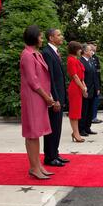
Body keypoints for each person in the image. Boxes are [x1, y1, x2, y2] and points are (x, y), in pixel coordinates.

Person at [20, 25, 55, 180]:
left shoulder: (36, 54)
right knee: (32, 134)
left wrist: (48, 95)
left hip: (40, 97)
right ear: (34, 38)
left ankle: (38, 165)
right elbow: (33, 81)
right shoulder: (27, 55)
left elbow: (43, 78)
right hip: (33, 97)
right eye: (40, 37)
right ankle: (34, 167)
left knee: (37, 133)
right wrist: (46, 97)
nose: (42, 39)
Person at [42, 29, 69, 167]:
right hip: (55, 98)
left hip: (60, 95)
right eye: (59, 35)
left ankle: (55, 153)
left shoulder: (55, 52)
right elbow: (50, 79)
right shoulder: (47, 53)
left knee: (57, 127)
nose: (61, 37)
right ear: (51, 38)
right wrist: (55, 99)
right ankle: (49, 156)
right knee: (52, 127)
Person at [67, 41, 87, 143]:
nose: (81, 51)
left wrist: (84, 86)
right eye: (79, 49)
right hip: (75, 88)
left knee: (78, 111)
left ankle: (76, 132)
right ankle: (76, 133)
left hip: (78, 87)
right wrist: (82, 87)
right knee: (74, 112)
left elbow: (81, 76)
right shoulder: (71, 60)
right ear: (75, 50)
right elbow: (75, 76)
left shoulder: (76, 60)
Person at [79, 44, 99, 136]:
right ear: (85, 52)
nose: (92, 52)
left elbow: (95, 75)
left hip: (93, 89)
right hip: (86, 90)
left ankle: (88, 127)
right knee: (84, 110)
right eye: (90, 50)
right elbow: (80, 78)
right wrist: (84, 89)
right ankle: (81, 129)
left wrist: (97, 87)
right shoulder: (81, 61)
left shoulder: (91, 61)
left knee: (90, 111)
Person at [89, 41, 103, 124]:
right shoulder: (91, 57)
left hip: (96, 82)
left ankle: (94, 116)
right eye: (93, 45)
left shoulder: (95, 57)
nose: (95, 46)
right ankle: (92, 117)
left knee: (95, 101)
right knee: (93, 101)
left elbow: (98, 72)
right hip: (92, 84)